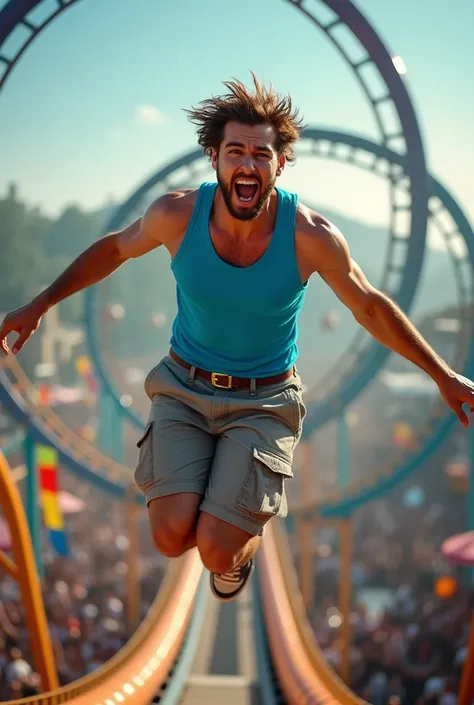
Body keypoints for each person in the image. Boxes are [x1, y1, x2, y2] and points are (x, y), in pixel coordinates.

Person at [1, 74, 474, 603]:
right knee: (169, 535)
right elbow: (113, 250)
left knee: (216, 551)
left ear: (280, 164)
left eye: (260, 153)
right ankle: (221, 501)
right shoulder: (176, 214)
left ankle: (237, 545)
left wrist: (442, 374)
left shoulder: (311, 236)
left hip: (265, 400)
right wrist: (40, 304)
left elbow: (368, 305)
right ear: (215, 159)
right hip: (184, 387)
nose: (247, 164)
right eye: (235, 152)